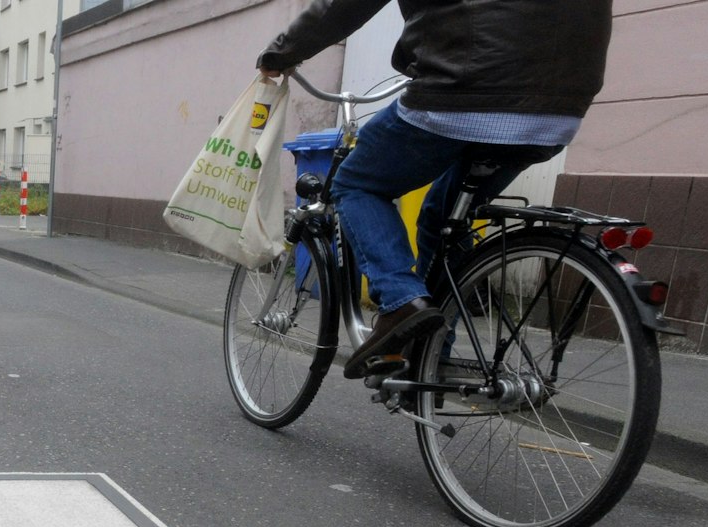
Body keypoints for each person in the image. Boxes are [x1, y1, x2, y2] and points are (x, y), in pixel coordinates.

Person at [257, 0, 613, 376]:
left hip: (460, 91)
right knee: (444, 219)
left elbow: (343, 7)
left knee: (356, 183)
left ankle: (400, 301)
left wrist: (280, 54)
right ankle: (429, 355)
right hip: (559, 109)